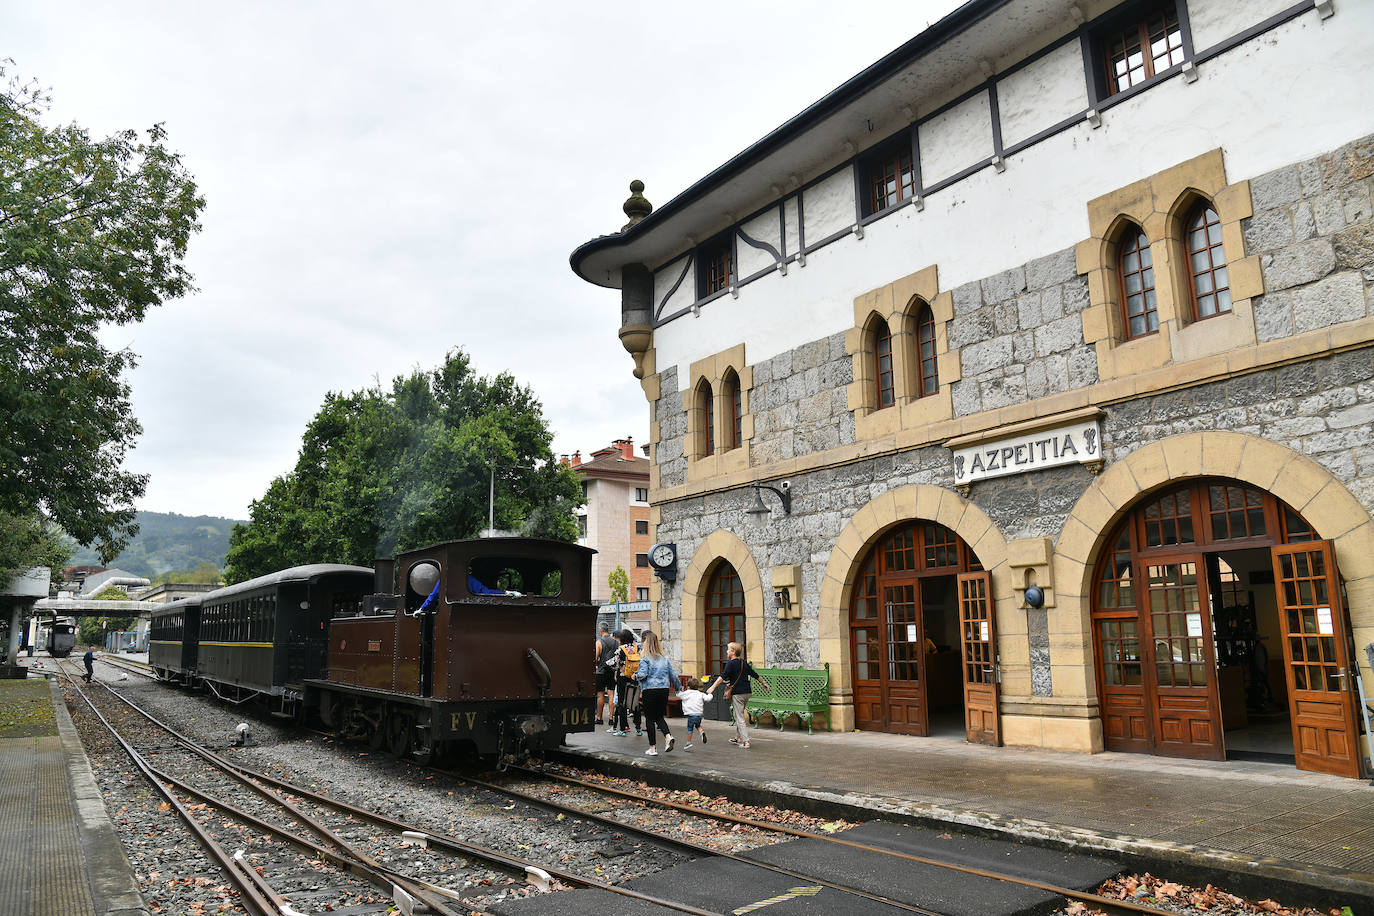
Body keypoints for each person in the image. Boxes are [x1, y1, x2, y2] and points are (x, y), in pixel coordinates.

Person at [706, 642, 769, 749]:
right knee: (737, 714)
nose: (727, 651)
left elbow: (722, 677)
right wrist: (764, 683)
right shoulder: (743, 662)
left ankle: (746, 742)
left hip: (738, 694)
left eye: (728, 649)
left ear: (733, 652)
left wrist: (712, 687)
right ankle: (738, 737)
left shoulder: (730, 663)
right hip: (747, 693)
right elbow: (754, 674)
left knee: (739, 718)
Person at [635, 630, 681, 756]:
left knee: (649, 718)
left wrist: (635, 675)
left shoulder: (644, 658)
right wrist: (678, 688)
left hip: (650, 690)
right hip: (664, 690)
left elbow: (643, 674)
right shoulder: (664, 658)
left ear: (645, 643)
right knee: (659, 717)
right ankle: (668, 737)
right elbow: (673, 675)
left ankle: (653, 748)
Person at [611, 629, 643, 737]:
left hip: (622, 679)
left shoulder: (620, 650)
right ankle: (638, 728)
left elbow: (613, 663)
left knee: (622, 703)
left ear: (621, 639)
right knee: (635, 702)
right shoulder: (637, 648)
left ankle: (622, 729)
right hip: (634, 678)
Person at [676, 677, 713, 749]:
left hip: (691, 715)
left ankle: (688, 742)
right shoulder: (700, 693)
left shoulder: (686, 693)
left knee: (690, 729)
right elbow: (708, 698)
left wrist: (679, 690)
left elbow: (678, 695)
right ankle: (701, 732)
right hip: (699, 714)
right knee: (697, 725)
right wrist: (710, 694)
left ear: (688, 686)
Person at [593, 624, 619, 725]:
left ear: (600, 630)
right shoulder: (616, 642)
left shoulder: (599, 642)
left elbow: (595, 658)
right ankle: (611, 718)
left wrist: (597, 664)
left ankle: (599, 717)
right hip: (612, 672)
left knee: (600, 695)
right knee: (611, 693)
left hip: (601, 672)